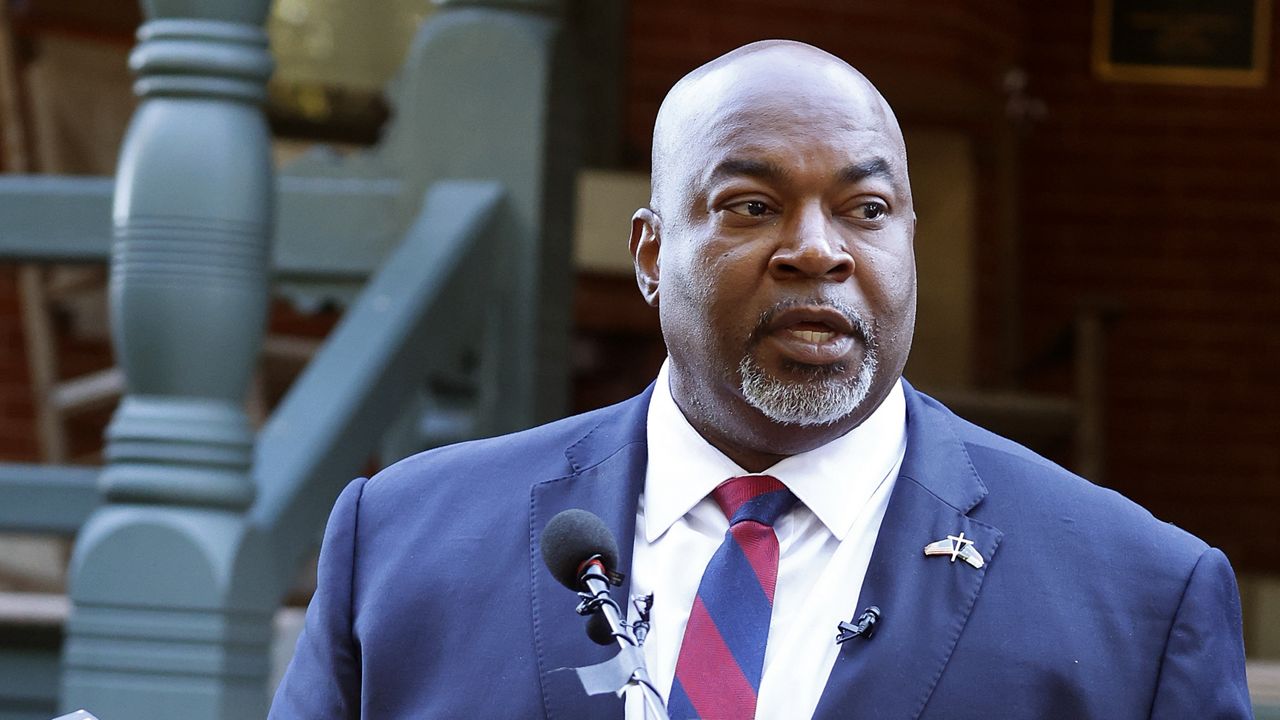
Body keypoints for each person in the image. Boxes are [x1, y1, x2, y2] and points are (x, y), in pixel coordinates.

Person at [270, 40, 1250, 719]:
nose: (816, 250)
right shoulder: (401, 544)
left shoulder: (1140, 601)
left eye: (864, 209)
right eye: (749, 205)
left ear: (906, 243)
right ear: (651, 254)